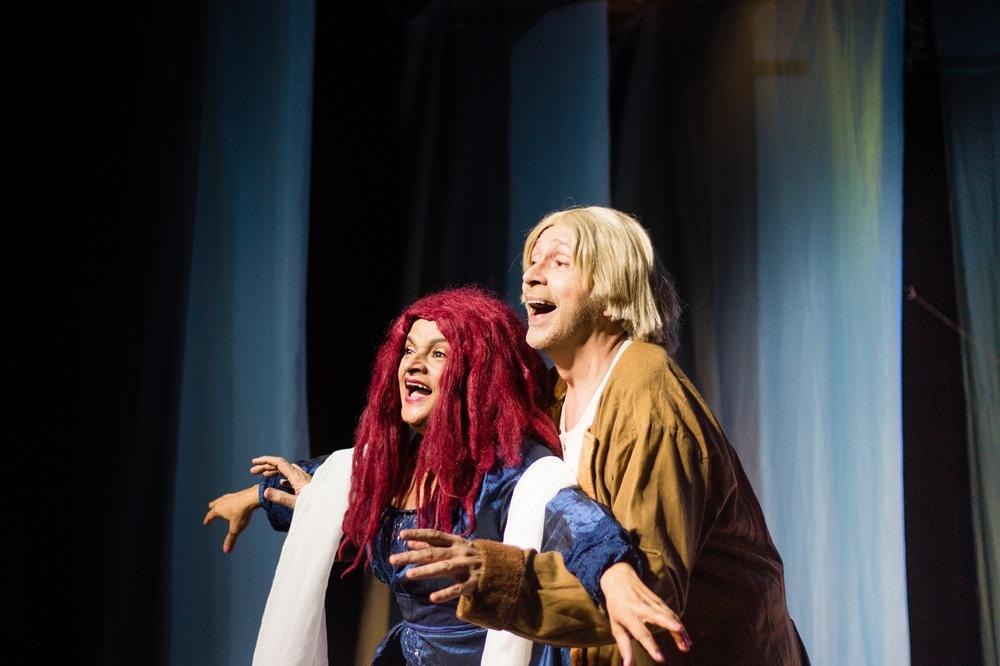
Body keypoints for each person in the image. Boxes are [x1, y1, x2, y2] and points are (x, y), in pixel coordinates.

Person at [391, 208, 810, 665]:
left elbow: (643, 589)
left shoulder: (646, 391)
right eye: (532, 261)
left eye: (558, 262)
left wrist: (494, 574)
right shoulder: (549, 400)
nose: (530, 276)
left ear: (613, 293)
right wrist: (343, 489)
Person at [204, 286, 688, 665]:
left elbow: (581, 524)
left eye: (439, 354)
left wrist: (617, 574)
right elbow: (320, 480)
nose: (413, 364)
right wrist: (253, 496)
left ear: (478, 376)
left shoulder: (514, 474)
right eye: (410, 350)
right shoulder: (383, 466)